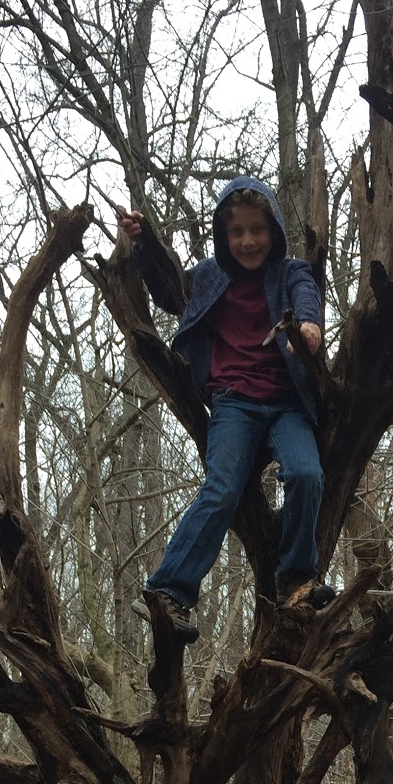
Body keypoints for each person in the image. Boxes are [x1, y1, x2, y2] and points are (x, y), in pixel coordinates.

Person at [118, 177, 335, 644]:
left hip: (287, 405)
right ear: (223, 234)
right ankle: (168, 589)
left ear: (273, 229)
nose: (248, 241)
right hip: (234, 401)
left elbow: (306, 297)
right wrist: (144, 244)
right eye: (237, 231)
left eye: (257, 229)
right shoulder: (210, 275)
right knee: (222, 487)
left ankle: (297, 579)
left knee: (306, 474)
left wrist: (309, 327)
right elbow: (169, 291)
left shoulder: (291, 272)